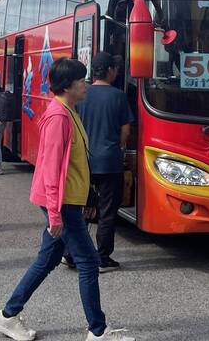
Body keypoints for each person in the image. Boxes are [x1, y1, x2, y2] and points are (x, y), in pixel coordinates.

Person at [0, 58, 135, 341]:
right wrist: (56, 214)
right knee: (89, 262)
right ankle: (98, 331)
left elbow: (77, 163)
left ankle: (7, 315)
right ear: (68, 86)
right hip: (61, 203)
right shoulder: (58, 117)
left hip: (68, 201)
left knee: (48, 259)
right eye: (82, 81)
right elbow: (51, 170)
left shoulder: (69, 111)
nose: (87, 85)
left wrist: (87, 197)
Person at [63, 52, 133, 273]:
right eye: (116, 69)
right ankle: (102, 257)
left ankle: (73, 254)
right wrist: (119, 148)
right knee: (107, 211)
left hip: (84, 162)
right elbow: (125, 129)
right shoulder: (118, 96)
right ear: (110, 70)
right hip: (110, 162)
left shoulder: (81, 95)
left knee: (81, 208)